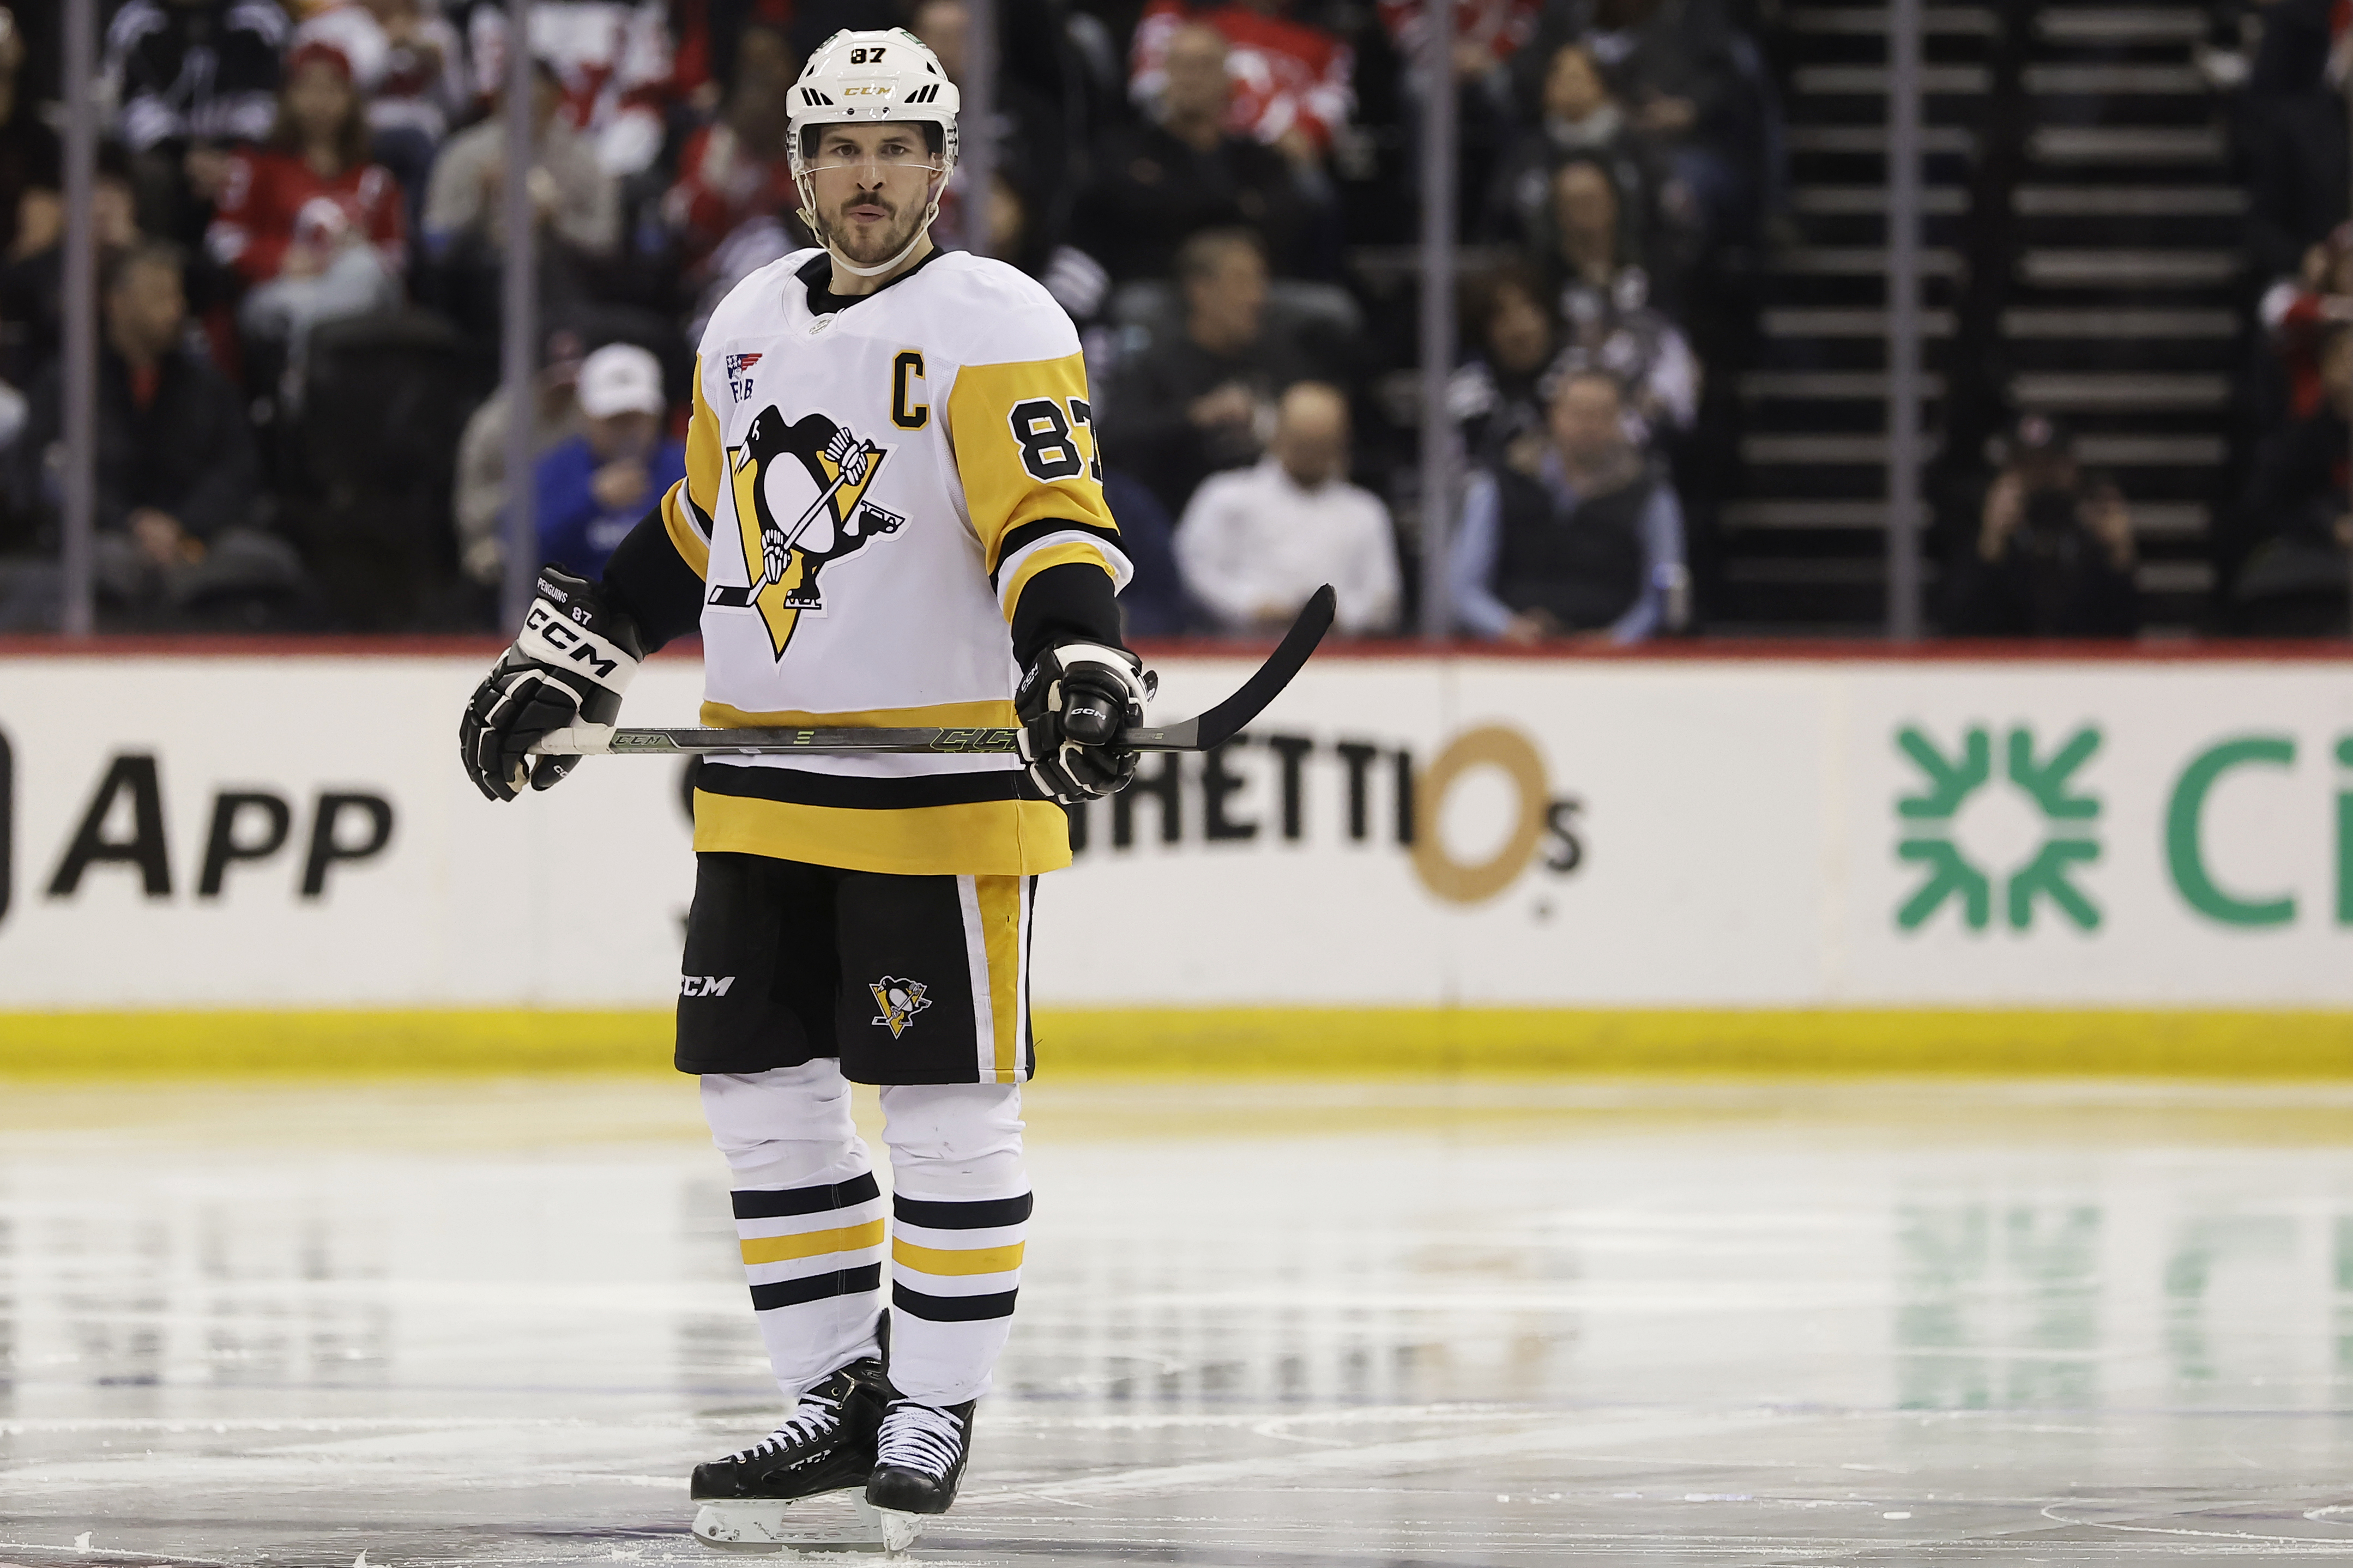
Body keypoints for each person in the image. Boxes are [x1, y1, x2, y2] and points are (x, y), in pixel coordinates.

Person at [457, 27, 1144, 1548]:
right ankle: (834, 1385)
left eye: (899, 145)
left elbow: (1047, 516)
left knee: (950, 1104)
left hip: (931, 790)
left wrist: (1079, 660)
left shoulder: (995, 318)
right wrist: (579, 646)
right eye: (842, 146)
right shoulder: (747, 316)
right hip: (760, 782)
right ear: (801, 165)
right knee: (760, 1097)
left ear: (942, 166)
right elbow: (702, 523)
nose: (870, 173)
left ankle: (932, 1400)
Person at [11, 243, 301, 626]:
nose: (175, 309)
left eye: (177, 295)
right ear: (116, 302)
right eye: (158, 296)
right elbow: (49, 473)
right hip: (105, 537)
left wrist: (182, 525)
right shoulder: (67, 384)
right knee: (99, 568)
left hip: (197, 540)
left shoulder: (210, 387)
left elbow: (239, 469)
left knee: (270, 563)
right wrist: (131, 523)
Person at [205, 41, 406, 379]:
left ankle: (313, 378)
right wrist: (279, 258)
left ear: (351, 100)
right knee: (303, 312)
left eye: (332, 90)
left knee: (364, 268)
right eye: (308, 89)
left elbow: (395, 256)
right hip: (282, 292)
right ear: (289, 97)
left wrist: (355, 252)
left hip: (355, 292)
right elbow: (222, 239)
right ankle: (306, 385)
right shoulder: (258, 168)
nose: (320, 103)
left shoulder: (375, 180)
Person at [1450, 366, 1687, 644]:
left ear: (1620, 421)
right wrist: (1506, 627)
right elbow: (1463, 587)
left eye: (1602, 415)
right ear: (1553, 415)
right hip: (1513, 653)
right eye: (1578, 413)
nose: (1589, 425)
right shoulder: (1498, 485)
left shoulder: (1650, 494)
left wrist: (1617, 639)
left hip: (1615, 658)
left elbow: (1663, 592)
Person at [1070, 20, 1316, 282]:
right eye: (1180, 65)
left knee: (1330, 312)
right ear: (1165, 75)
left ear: (1228, 79)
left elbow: (1283, 221)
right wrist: (1235, 208)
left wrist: (1179, 203)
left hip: (1250, 289)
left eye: (1204, 65)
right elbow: (1127, 213)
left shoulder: (1255, 158)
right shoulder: (1127, 148)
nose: (1191, 77)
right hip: (1156, 283)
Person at [1103, 227, 1307, 517]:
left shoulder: (1275, 358)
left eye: (1261, 281)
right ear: (1200, 290)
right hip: (1175, 518)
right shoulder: (1158, 363)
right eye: (1242, 282)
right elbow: (1114, 443)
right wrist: (1196, 417)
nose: (1258, 297)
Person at [1174, 380, 1399, 634]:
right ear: (1278, 433)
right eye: (1303, 442)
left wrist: (1339, 614)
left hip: (1335, 655)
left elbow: (1383, 596)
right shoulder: (1224, 497)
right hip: (1236, 650)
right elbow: (1195, 570)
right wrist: (1251, 606)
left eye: (1321, 444)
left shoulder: (1365, 512)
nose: (1311, 454)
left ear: (1342, 442)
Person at [1947, 413, 2138, 638]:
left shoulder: (2092, 540)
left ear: (2071, 468)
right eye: (2028, 466)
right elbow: (1961, 630)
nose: (2041, 479)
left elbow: (2124, 633)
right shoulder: (1988, 541)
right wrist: (1990, 543)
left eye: (2050, 465)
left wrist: (2121, 557)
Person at [533, 342, 686, 579]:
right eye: (614, 420)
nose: (626, 432)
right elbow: (522, 547)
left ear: (657, 417)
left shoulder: (686, 469)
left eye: (635, 419)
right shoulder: (557, 470)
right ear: (587, 418)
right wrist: (591, 498)